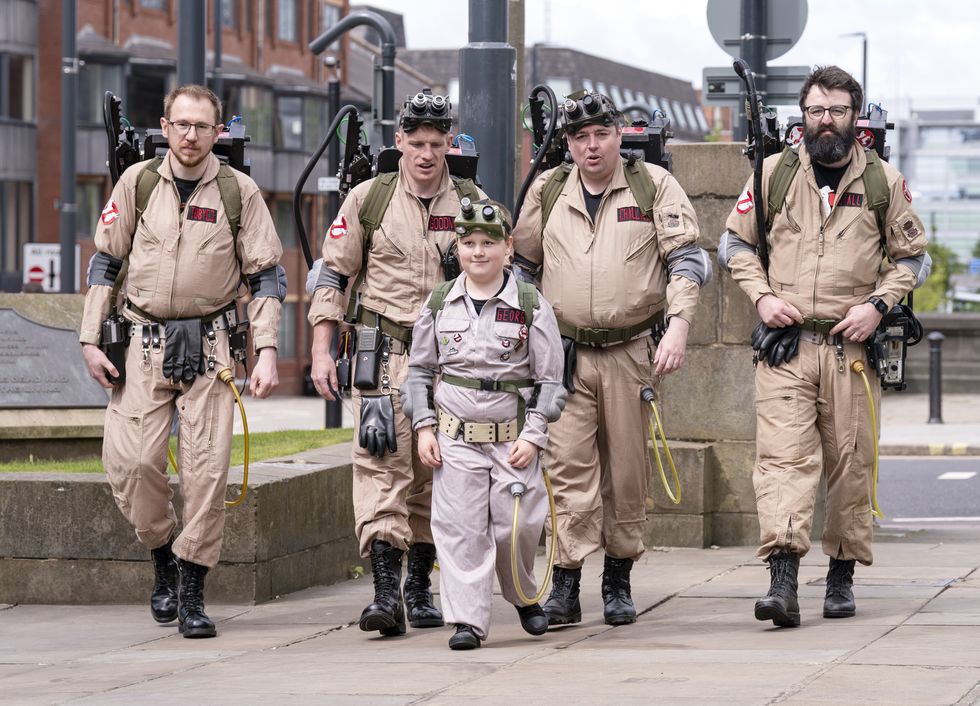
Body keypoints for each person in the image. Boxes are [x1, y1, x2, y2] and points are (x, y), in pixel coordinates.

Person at [718, 66, 931, 627]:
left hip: (851, 350)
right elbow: (733, 244)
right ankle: (782, 580)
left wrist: (877, 306)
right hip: (786, 346)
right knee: (783, 461)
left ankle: (841, 574)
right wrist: (762, 298)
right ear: (803, 116)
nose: (826, 120)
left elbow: (913, 258)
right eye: (816, 110)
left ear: (855, 118)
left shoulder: (884, 180)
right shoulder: (772, 175)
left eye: (837, 110)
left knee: (850, 464)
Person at [79, 84, 285, 638]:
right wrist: (89, 339)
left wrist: (266, 350)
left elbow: (266, 276)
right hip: (141, 341)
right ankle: (162, 553)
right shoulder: (138, 183)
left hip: (212, 344)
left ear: (218, 133)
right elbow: (105, 261)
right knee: (133, 463)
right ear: (165, 128)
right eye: (181, 124)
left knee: (206, 473)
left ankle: (192, 590)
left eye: (202, 126)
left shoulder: (239, 192)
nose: (191, 135)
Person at [511, 90, 710, 627]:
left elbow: (688, 259)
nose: (592, 146)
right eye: (580, 138)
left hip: (631, 351)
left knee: (626, 471)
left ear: (619, 135)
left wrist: (679, 327)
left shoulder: (653, 185)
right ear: (568, 144)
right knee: (566, 467)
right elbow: (522, 268)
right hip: (566, 355)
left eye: (601, 134)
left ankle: (618, 577)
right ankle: (567, 582)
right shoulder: (549, 190)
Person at [307, 89, 486, 636]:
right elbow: (333, 276)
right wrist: (320, 349)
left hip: (448, 362)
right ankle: (386, 593)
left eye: (437, 143)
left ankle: (419, 587)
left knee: (439, 475)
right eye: (416, 143)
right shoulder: (368, 199)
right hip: (382, 358)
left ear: (450, 144)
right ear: (399, 142)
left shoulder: (474, 204)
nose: (427, 154)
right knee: (379, 465)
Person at [401, 199, 565, 650]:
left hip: (512, 439)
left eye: (489, 243)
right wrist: (424, 427)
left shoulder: (531, 305)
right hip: (455, 439)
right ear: (457, 248)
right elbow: (417, 371)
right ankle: (468, 621)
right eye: (469, 243)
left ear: (508, 248)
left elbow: (551, 382)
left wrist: (534, 437)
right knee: (461, 530)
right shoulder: (439, 302)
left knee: (515, 528)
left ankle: (521, 593)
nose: (478, 252)